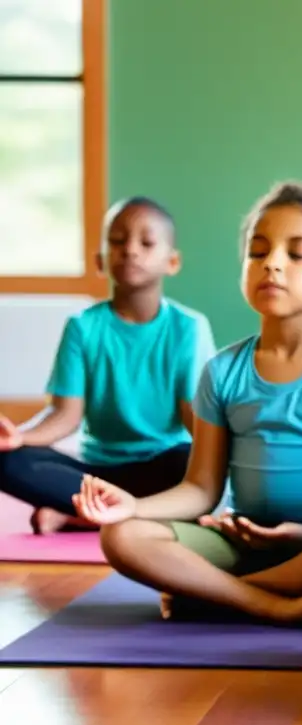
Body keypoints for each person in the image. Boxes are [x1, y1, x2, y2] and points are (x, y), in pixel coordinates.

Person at [71, 181, 302, 629]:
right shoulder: (220, 372)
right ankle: (270, 603)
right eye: (258, 252)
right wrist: (132, 506)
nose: (272, 264)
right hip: (238, 542)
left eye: (295, 254)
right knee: (122, 537)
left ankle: (212, 596)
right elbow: (201, 488)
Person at [0, 197, 215, 535]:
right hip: (93, 474)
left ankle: (78, 516)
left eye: (146, 242)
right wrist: (19, 437)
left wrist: (228, 461)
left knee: (195, 462)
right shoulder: (82, 327)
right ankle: (111, 511)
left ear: (172, 261)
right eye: (118, 241)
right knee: (9, 460)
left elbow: (195, 418)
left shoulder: (189, 327)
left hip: (162, 466)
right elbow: (64, 416)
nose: (130, 250)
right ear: (101, 261)